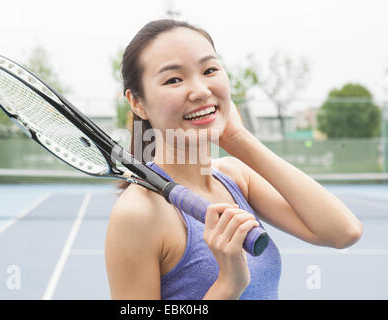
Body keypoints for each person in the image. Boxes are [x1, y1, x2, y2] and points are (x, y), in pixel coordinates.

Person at [105, 19, 362, 300]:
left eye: (210, 70)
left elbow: (343, 231)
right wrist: (228, 285)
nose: (201, 90)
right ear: (137, 102)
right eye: (174, 79)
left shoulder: (236, 177)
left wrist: (238, 138)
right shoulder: (138, 214)